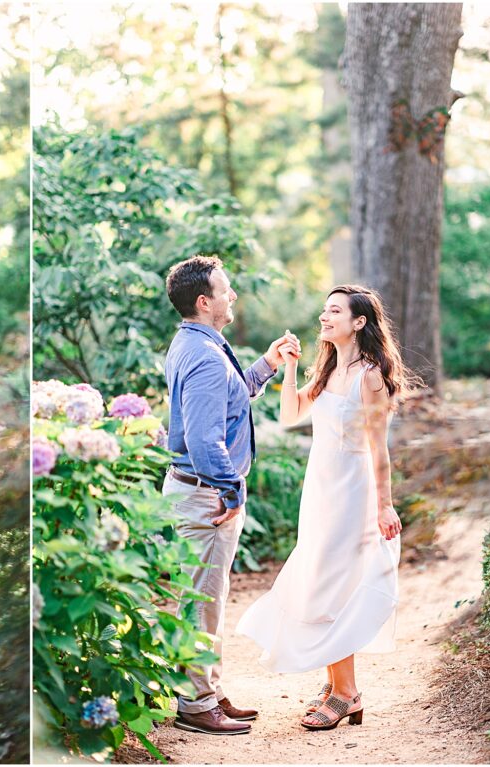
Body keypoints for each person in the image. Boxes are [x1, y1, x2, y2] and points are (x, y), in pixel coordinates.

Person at [236, 284, 413, 731]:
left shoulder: (369, 376)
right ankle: (337, 686)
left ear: (359, 322)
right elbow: (290, 414)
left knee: (335, 586)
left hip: (353, 491)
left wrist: (384, 507)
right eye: (324, 310)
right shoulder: (330, 367)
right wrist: (292, 368)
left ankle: (347, 693)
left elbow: (379, 449)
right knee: (319, 580)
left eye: (335, 311)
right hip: (320, 489)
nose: (324, 316)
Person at [162, 254, 299, 736]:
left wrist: (266, 365)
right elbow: (203, 439)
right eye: (225, 290)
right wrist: (232, 489)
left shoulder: (196, 343)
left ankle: (208, 691)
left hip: (201, 494)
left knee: (208, 598)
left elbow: (228, 400)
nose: (232, 295)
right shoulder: (201, 353)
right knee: (201, 601)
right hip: (206, 498)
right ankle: (196, 704)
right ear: (205, 301)